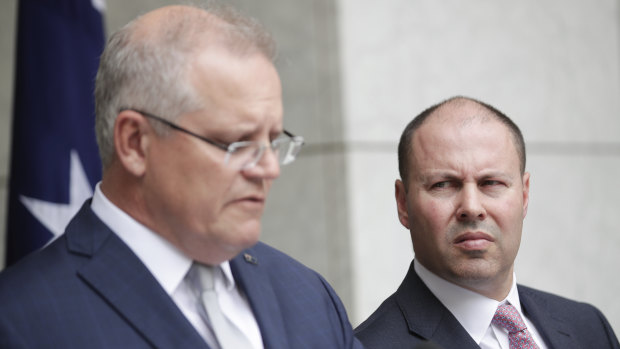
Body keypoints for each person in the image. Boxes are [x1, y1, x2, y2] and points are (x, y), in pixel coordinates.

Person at [0, 4, 362, 349]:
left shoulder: (307, 296)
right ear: (135, 143)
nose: (269, 168)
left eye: (271, 141)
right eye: (236, 143)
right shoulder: (21, 321)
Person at [354, 96, 620, 349]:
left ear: (524, 195)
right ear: (403, 203)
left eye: (491, 183)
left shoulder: (588, 327)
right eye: (443, 184)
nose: (471, 207)